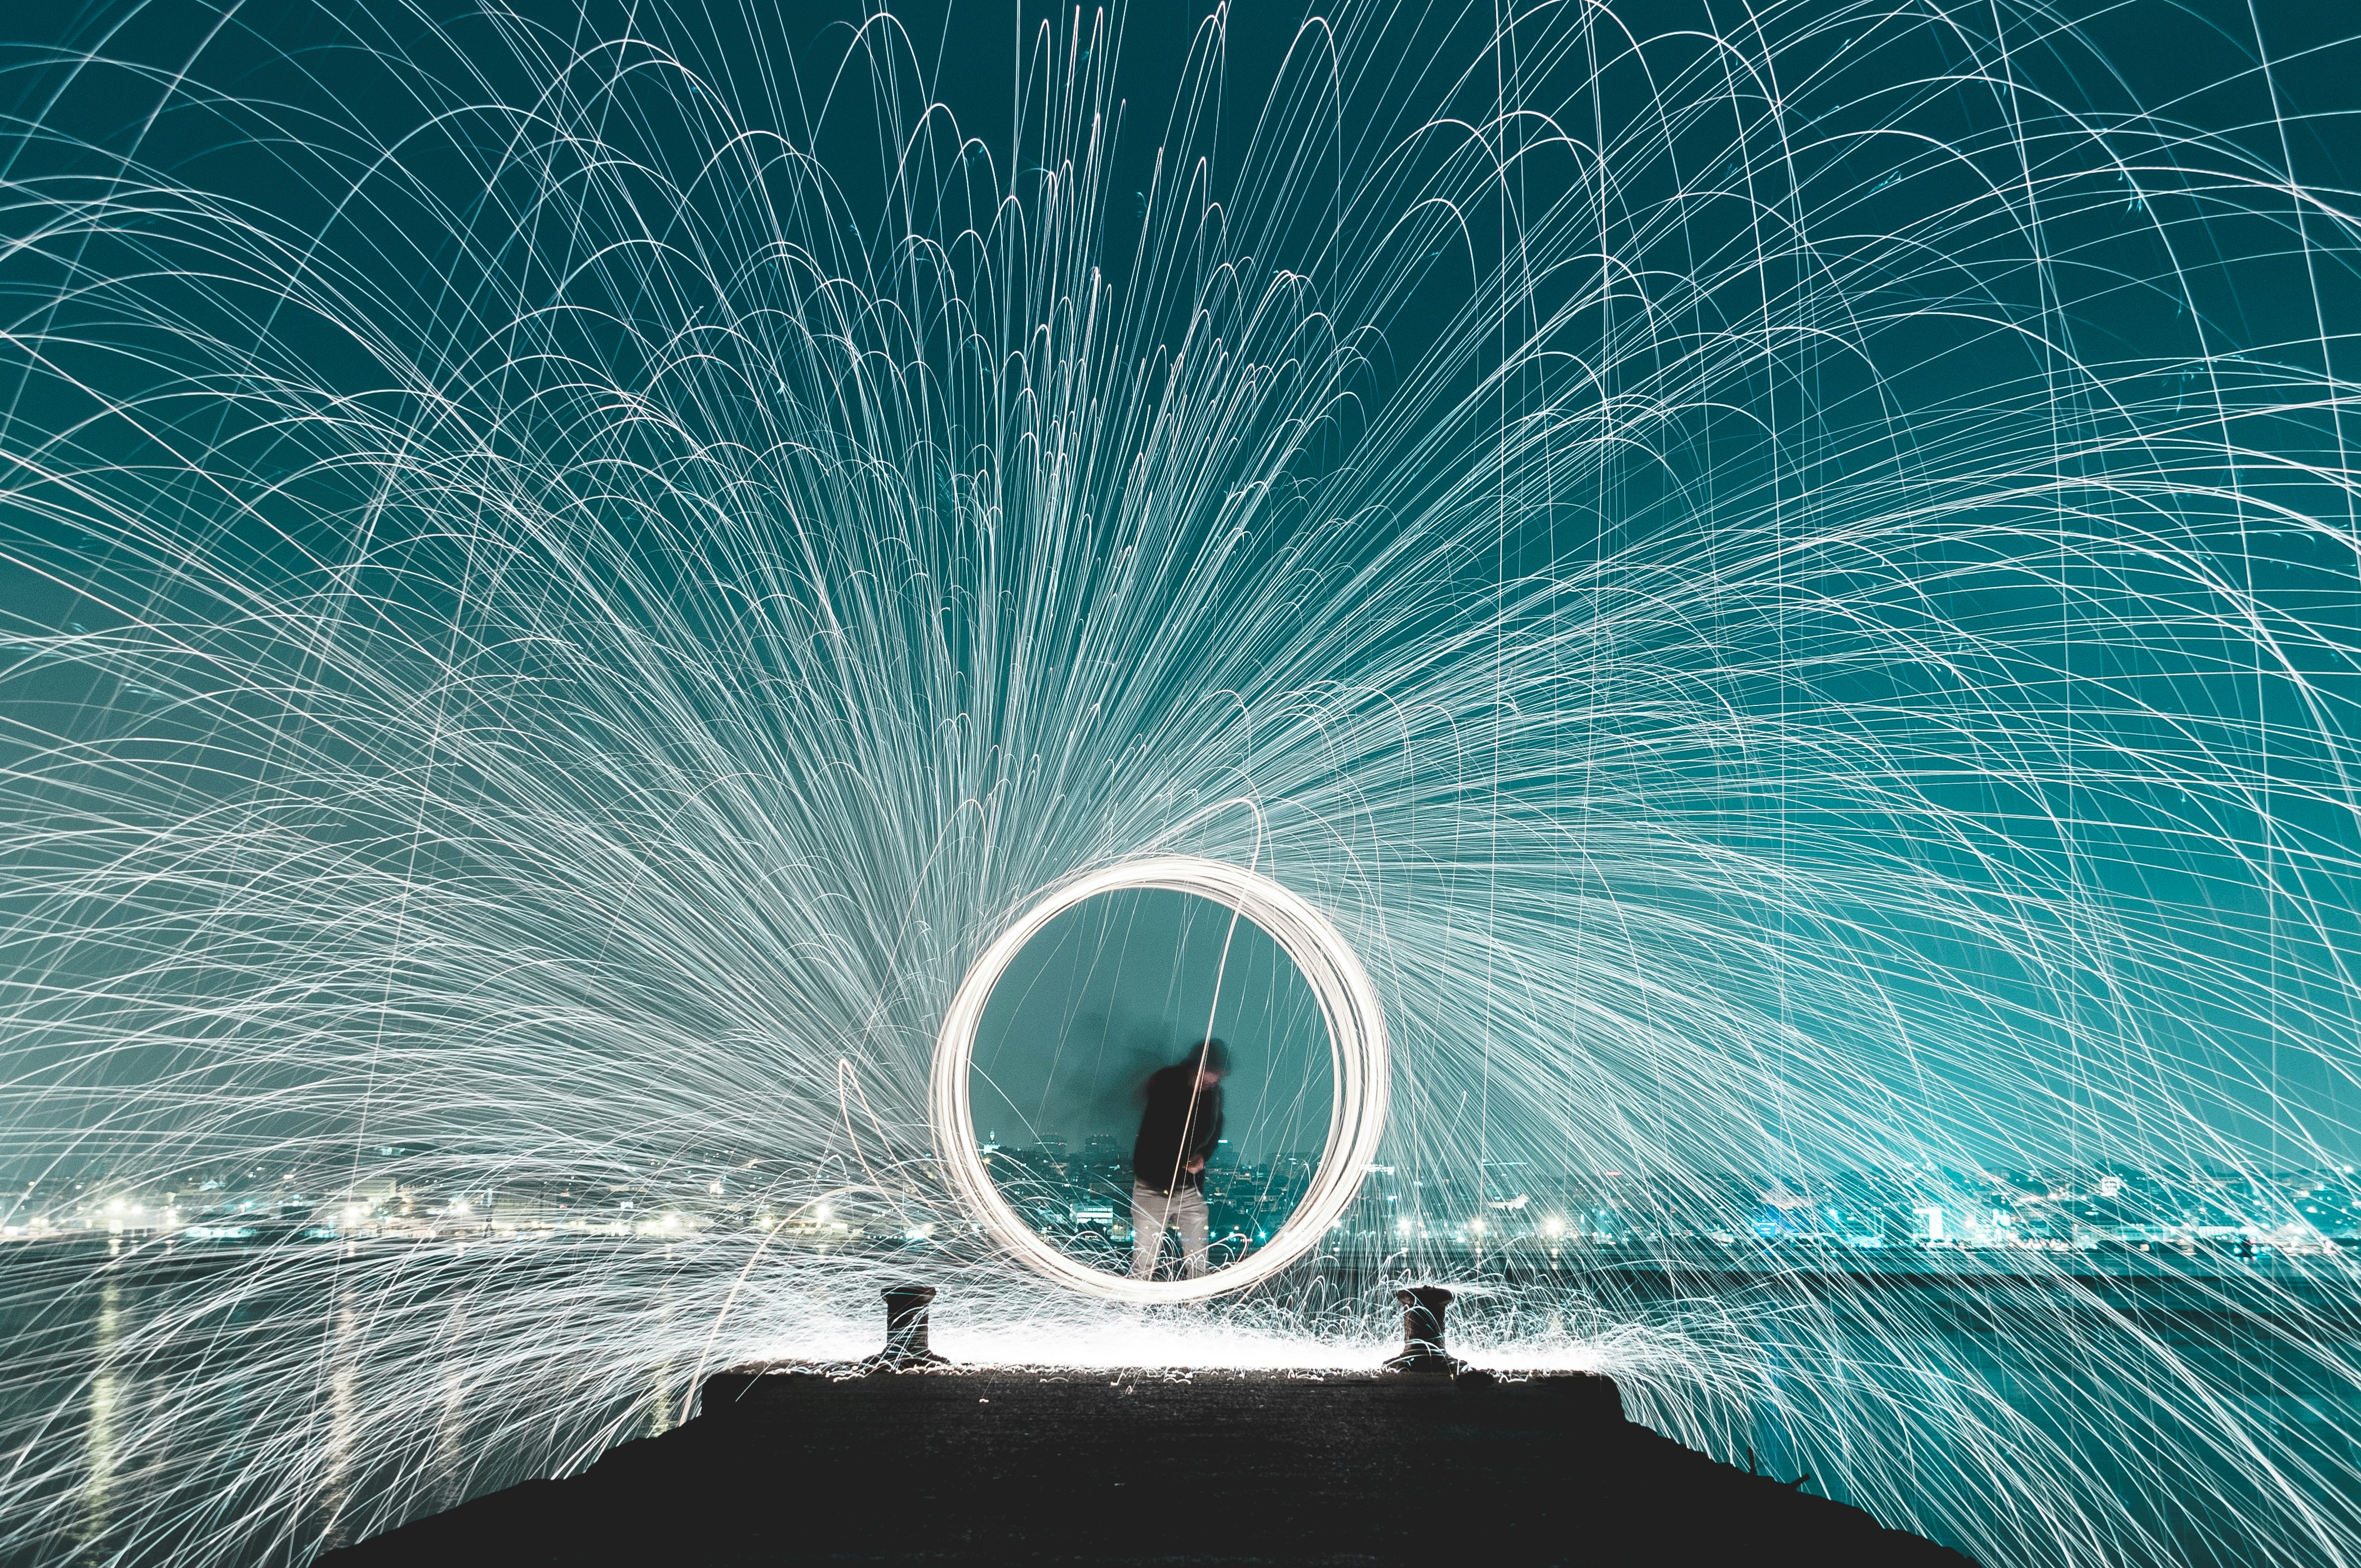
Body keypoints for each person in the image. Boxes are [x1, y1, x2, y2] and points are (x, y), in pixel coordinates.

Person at [1128, 1038, 1230, 1280]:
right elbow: (1159, 1128)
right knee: (1144, 1264)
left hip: (1189, 1190)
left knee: (1199, 1266)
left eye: (1218, 1078)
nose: (1216, 1082)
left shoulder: (1213, 1094)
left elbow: (1215, 1130)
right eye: (1212, 1075)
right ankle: (1131, 1315)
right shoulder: (1169, 1082)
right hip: (1152, 1188)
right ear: (1199, 1067)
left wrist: (1203, 1156)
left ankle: (1197, 1314)